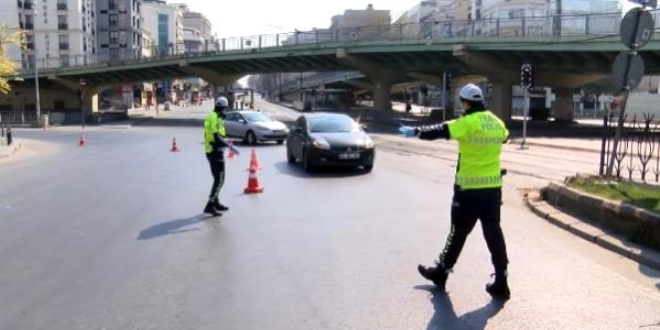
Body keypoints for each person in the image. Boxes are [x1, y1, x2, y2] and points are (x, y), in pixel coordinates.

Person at [399, 83, 511, 300]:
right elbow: (506, 137)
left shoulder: (467, 122)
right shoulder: (497, 122)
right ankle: (502, 282)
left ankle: (441, 273)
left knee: (457, 233)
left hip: (469, 191)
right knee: (494, 235)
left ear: (465, 102)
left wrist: (416, 131)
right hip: (493, 192)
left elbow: (441, 130)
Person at [203, 96, 240, 216]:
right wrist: (229, 146)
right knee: (220, 179)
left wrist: (225, 140)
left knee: (217, 179)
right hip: (215, 151)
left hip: (212, 151)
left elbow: (217, 134)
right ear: (222, 108)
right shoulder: (214, 117)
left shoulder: (213, 116)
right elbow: (215, 137)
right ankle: (210, 204)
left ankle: (216, 202)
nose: (226, 111)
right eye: (225, 109)